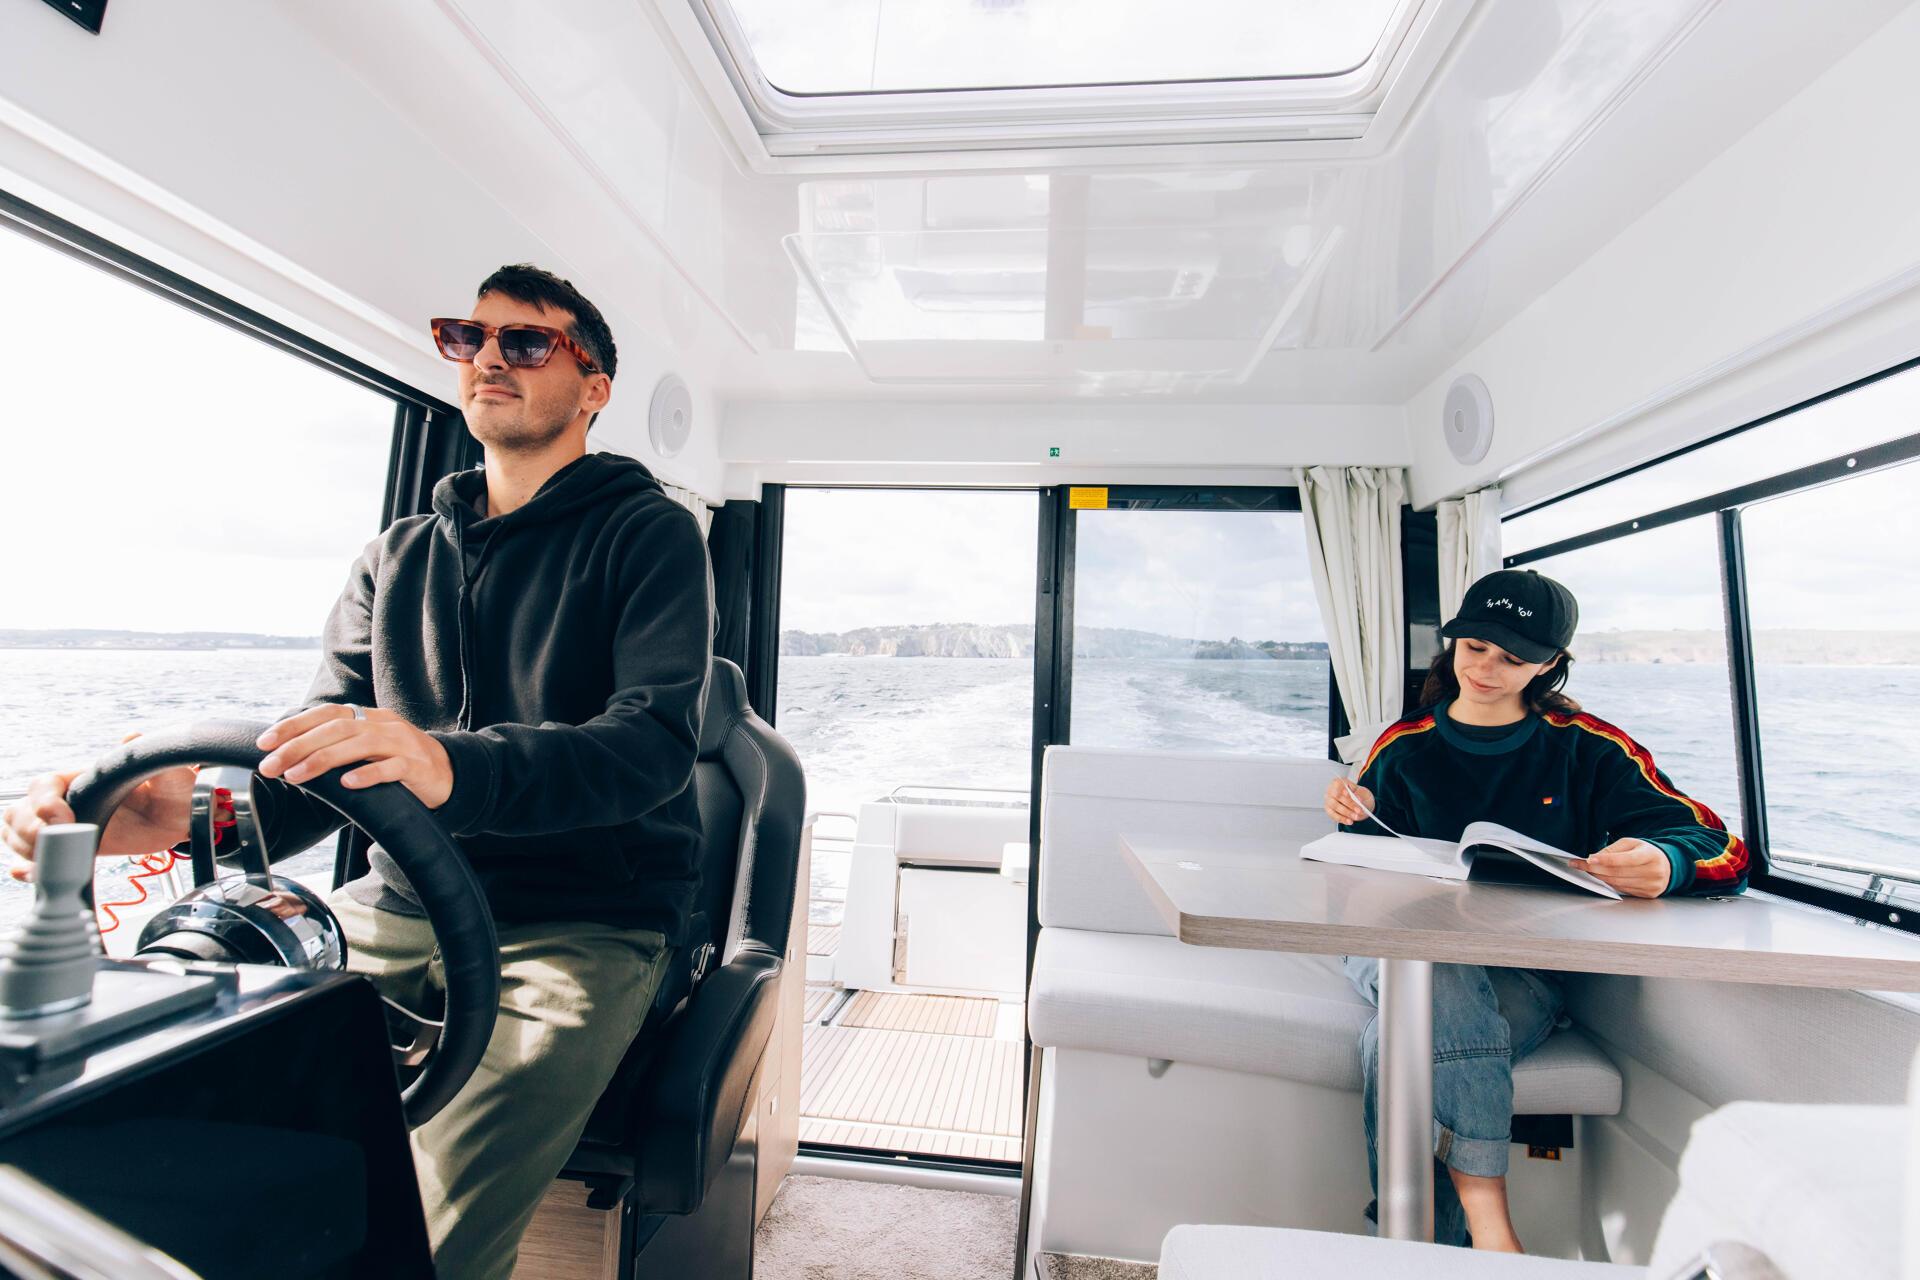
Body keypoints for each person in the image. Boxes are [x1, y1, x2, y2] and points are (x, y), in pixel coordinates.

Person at [2, 264, 714, 1280]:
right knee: (197, 1125)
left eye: (526, 341)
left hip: (583, 920)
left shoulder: (650, 534)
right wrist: (167, 815)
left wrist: (445, 762)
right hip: (395, 901)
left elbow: (650, 744)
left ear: (594, 385)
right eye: (470, 338)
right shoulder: (395, 556)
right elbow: (308, 774)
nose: (488, 359)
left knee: (420, 1237)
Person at [1322, 568, 1747, 1253]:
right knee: (1435, 963)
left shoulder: (1588, 748)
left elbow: (1719, 843)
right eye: (1474, 648)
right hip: (1394, 951)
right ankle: (1490, 1222)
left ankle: (1411, 1255)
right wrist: (1355, 813)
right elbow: (1364, 868)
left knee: (1395, 1041)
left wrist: (1666, 862)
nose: (1487, 668)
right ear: (1452, 643)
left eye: (1513, 658)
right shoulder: (1402, 748)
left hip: (1526, 969)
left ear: (1549, 664)